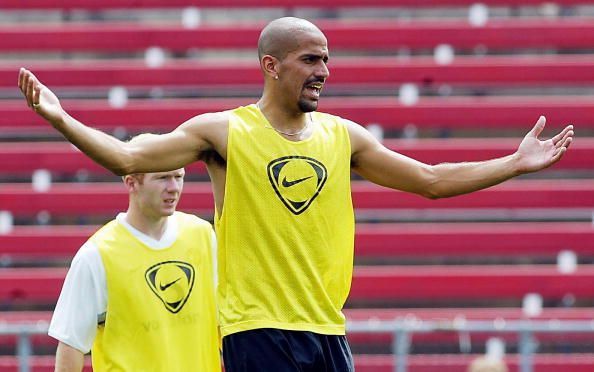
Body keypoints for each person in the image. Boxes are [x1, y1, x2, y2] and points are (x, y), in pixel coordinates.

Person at [20, 17, 573, 372]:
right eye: (311, 59)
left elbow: (429, 181)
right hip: (257, 333)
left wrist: (514, 164)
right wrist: (59, 116)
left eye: (327, 59)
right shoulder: (223, 132)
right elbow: (127, 159)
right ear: (271, 66)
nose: (324, 71)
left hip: (327, 330)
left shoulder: (343, 136)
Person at [48, 158, 221, 371]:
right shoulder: (97, 254)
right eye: (162, 178)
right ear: (131, 183)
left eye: (179, 177)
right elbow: (70, 346)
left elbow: (225, 322)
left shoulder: (203, 235)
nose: (174, 188)